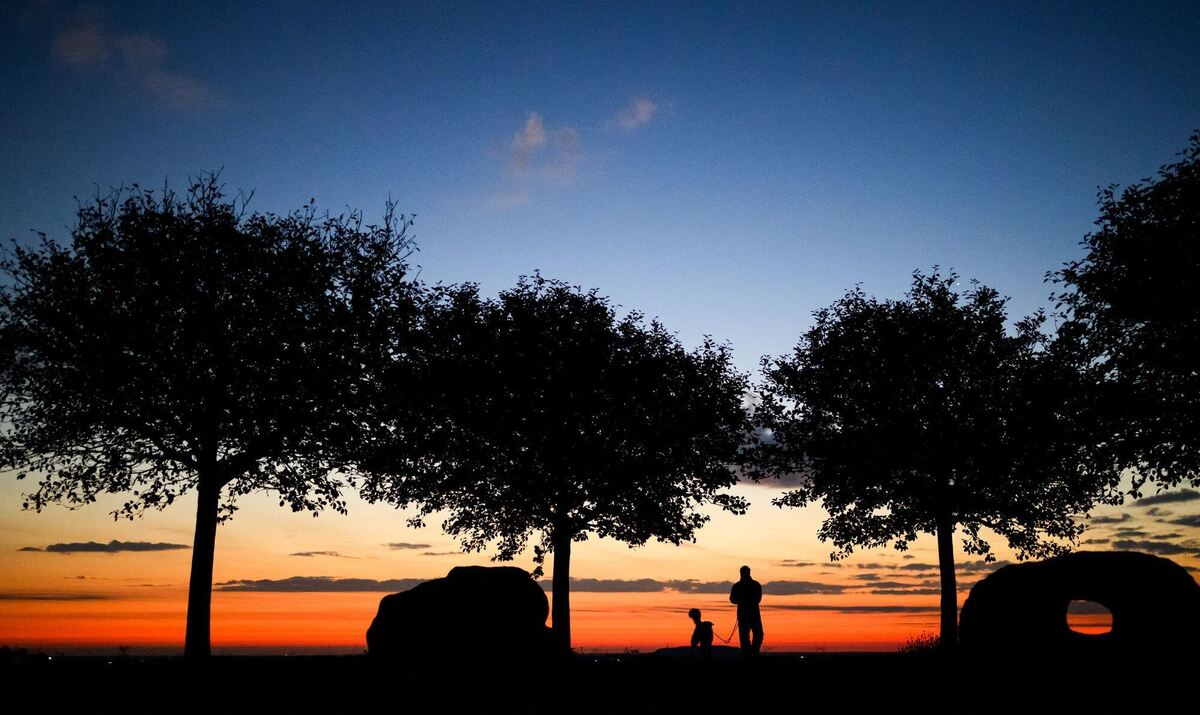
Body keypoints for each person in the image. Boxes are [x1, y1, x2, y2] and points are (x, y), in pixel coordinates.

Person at [729, 564, 763, 656]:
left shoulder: (754, 585)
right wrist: (743, 600)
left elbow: (758, 599)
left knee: (757, 634)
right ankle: (749, 653)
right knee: (746, 636)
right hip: (748, 615)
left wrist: (743, 600)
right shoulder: (740, 586)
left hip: (751, 614)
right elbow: (732, 599)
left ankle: (753, 651)